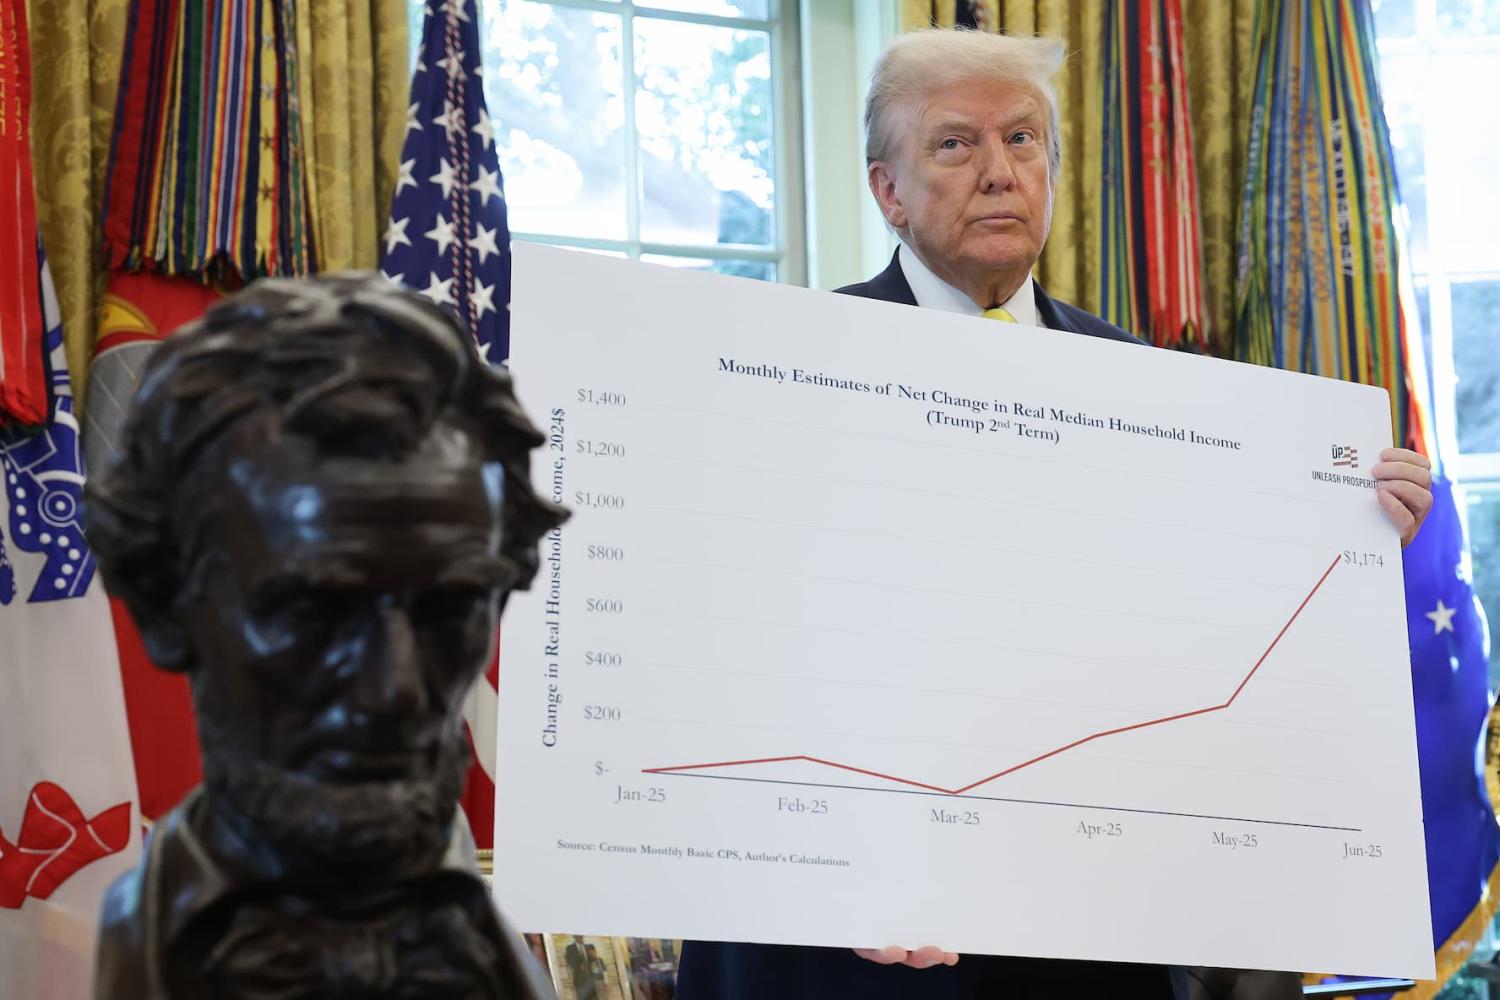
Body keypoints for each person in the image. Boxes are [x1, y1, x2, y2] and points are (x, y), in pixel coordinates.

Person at [675, 28, 1434, 1000]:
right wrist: (838, 859)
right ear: (887, 191)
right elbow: (719, 658)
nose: (999, 171)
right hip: (843, 948)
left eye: (1023, 139)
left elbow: (1219, 650)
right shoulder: (770, 379)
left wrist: (1355, 537)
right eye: (956, 144)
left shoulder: (1172, 398)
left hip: (1085, 946)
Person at [87, 274, 567, 999]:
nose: (394, 690)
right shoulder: (151, 943)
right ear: (165, 605)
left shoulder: (488, 951)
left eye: (450, 610)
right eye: (312, 614)